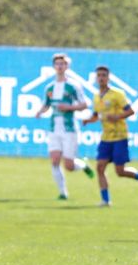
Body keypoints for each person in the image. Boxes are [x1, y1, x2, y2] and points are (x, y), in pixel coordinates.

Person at [82, 66, 138, 206]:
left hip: (119, 136)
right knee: (100, 167)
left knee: (120, 171)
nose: (101, 78)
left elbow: (131, 111)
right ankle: (105, 200)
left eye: (104, 75)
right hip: (106, 138)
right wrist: (88, 120)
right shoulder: (96, 96)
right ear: (96, 78)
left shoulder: (117, 94)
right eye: (99, 75)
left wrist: (117, 117)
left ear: (108, 78)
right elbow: (96, 115)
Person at [35, 53, 94, 199]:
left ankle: (83, 165)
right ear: (54, 66)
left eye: (62, 64)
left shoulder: (73, 86)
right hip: (54, 128)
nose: (60, 66)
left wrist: (69, 107)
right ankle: (63, 193)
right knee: (55, 160)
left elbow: (85, 104)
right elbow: (46, 105)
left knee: (69, 166)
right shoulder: (49, 87)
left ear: (67, 66)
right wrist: (40, 111)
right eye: (57, 64)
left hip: (69, 129)